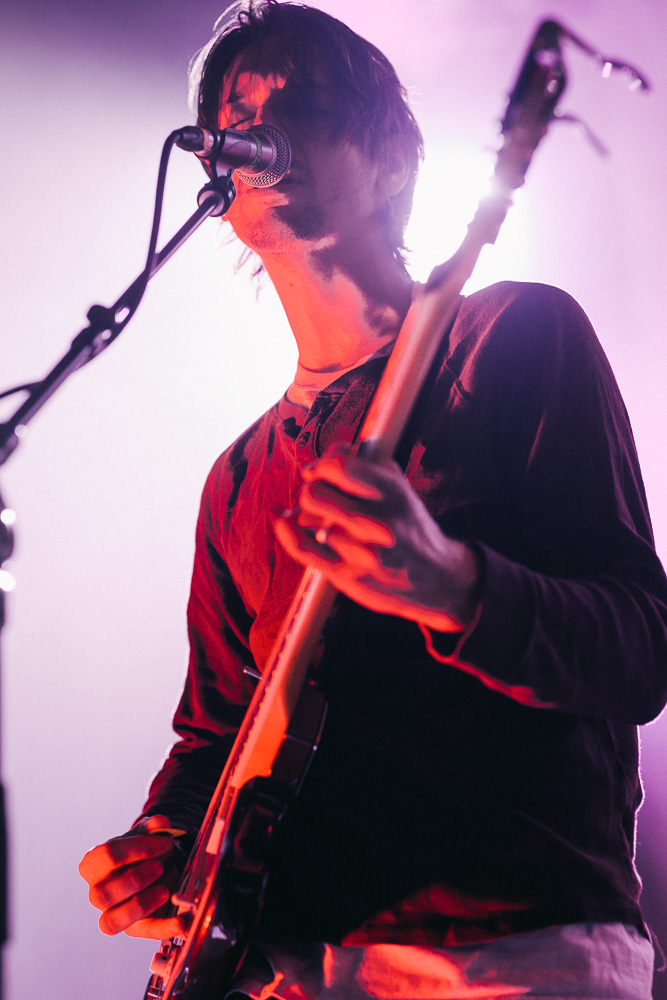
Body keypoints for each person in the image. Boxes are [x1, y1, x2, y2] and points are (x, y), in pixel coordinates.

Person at [79, 3, 667, 997]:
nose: (257, 122)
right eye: (236, 107)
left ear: (395, 163)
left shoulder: (509, 338)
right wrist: (161, 846)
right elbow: (216, 734)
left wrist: (454, 586)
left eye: (300, 102)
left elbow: (638, 650)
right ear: (215, 187)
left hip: (504, 948)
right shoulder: (237, 478)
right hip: (291, 963)